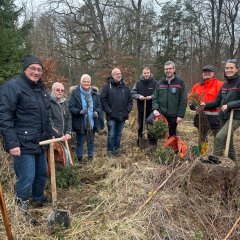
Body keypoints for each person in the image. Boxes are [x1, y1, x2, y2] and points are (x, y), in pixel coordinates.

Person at [0, 55, 56, 223]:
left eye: (39, 69)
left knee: (41, 174)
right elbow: (4, 117)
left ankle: (38, 198)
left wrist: (51, 134)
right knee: (27, 177)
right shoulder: (12, 87)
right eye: (33, 68)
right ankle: (21, 208)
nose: (36, 72)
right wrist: (12, 143)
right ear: (25, 69)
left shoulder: (41, 89)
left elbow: (45, 116)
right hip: (22, 144)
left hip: (40, 142)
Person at [198, 59, 240, 161]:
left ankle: (214, 161)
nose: (229, 70)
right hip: (224, 116)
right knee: (228, 143)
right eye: (227, 68)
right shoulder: (225, 84)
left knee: (219, 137)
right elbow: (217, 101)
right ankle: (234, 166)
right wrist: (205, 104)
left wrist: (229, 105)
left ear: (237, 69)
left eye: (231, 68)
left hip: (235, 116)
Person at [189, 65, 223, 154]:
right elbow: (191, 102)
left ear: (213, 73)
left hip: (215, 118)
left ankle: (219, 156)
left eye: (209, 71)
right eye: (204, 72)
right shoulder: (196, 86)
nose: (206, 73)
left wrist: (206, 105)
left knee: (218, 137)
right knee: (202, 137)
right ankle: (202, 155)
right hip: (200, 117)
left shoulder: (219, 84)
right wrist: (194, 106)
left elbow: (219, 101)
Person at [68, 74, 102, 164]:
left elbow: (99, 106)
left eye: (88, 81)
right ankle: (79, 160)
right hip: (80, 122)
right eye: (84, 81)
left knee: (91, 141)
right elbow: (70, 107)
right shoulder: (75, 93)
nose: (86, 83)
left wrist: (97, 112)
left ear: (90, 82)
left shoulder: (95, 94)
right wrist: (79, 112)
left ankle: (90, 158)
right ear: (81, 82)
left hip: (91, 122)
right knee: (80, 142)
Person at [100, 68, 133, 157]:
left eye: (120, 73)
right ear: (113, 75)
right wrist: (108, 110)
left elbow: (130, 100)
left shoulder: (125, 87)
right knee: (111, 134)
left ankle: (117, 150)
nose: (119, 75)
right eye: (117, 74)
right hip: (111, 116)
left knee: (119, 134)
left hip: (122, 116)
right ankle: (110, 151)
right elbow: (103, 100)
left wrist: (128, 109)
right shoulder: (107, 87)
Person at [152, 60, 187, 136]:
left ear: (174, 69)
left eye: (170, 68)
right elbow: (155, 98)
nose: (168, 71)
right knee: (151, 125)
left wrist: (180, 115)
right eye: (166, 69)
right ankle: (152, 146)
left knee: (172, 134)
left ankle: (171, 148)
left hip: (173, 114)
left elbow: (183, 100)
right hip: (161, 113)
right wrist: (155, 109)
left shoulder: (180, 83)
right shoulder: (160, 83)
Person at [131, 66, 157, 146]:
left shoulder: (155, 83)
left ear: (150, 73)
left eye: (148, 73)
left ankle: (151, 144)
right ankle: (139, 142)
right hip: (141, 109)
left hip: (152, 109)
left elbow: (157, 93)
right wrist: (139, 96)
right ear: (142, 73)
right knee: (140, 126)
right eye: (145, 73)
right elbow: (133, 93)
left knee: (151, 127)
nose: (146, 74)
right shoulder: (138, 83)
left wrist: (152, 97)